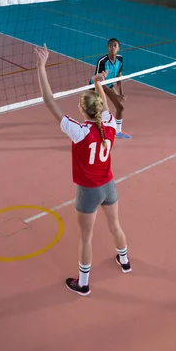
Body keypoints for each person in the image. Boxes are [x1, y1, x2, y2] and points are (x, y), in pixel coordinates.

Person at [34, 44, 131, 297]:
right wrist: (99, 83)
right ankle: (125, 261)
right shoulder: (109, 123)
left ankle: (84, 284)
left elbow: (48, 100)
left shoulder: (78, 132)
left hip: (89, 191)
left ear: (82, 110)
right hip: (109, 186)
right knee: (115, 226)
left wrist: (41, 67)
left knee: (85, 238)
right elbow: (106, 107)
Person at [90, 38, 131, 139]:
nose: (112, 48)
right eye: (110, 46)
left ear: (118, 48)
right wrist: (115, 95)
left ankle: (117, 131)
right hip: (97, 86)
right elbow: (100, 82)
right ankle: (95, 134)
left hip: (108, 84)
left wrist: (121, 94)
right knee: (98, 112)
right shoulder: (102, 61)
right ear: (107, 48)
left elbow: (119, 77)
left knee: (120, 107)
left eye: (115, 46)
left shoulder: (120, 59)